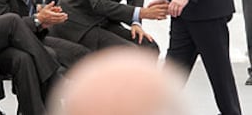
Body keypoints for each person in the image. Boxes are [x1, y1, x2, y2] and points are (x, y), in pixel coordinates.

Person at [48, 48, 185, 115]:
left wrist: (136, 21)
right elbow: (100, 3)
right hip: (84, 24)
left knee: (148, 46)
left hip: (107, 20)